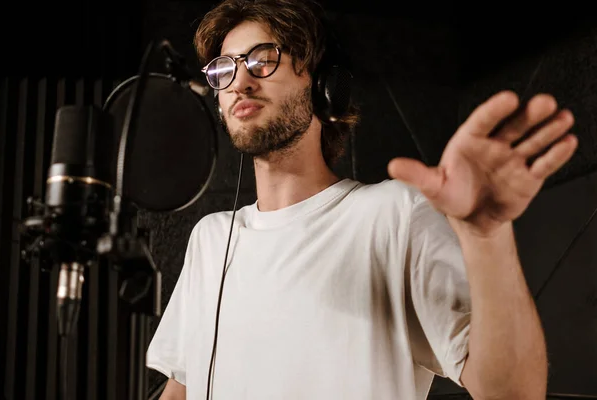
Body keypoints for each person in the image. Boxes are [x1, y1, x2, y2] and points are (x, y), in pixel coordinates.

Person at [146, 0, 579, 398]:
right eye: (223, 69)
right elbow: (180, 389)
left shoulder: (394, 214)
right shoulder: (211, 239)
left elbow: (513, 392)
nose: (239, 82)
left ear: (322, 85)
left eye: (262, 59)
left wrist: (487, 235)